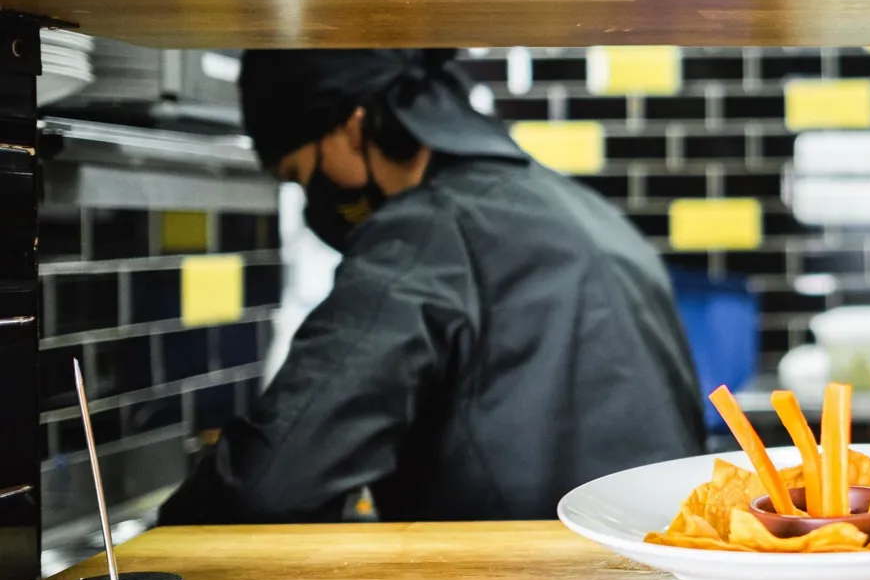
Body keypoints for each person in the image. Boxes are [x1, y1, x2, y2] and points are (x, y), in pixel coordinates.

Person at [159, 49, 703, 524]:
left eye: (302, 174)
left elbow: (271, 485)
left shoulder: (424, 231)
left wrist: (163, 551)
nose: (312, 201)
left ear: (353, 126)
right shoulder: (578, 208)